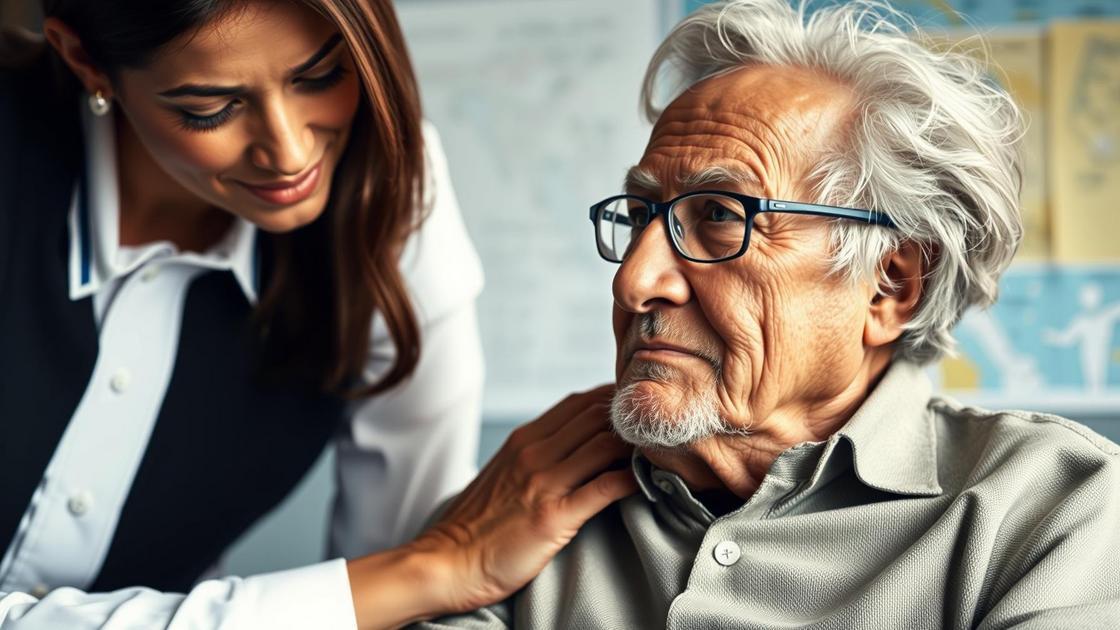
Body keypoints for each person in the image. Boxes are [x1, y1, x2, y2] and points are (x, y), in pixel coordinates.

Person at [418, 1, 1120, 628]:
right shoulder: (525, 503)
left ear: (891, 285)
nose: (635, 281)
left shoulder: (1057, 510)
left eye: (720, 217)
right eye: (639, 218)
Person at [0, 1, 636, 627]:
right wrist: (430, 567)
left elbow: (407, 584)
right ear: (86, 60)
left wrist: (427, 569)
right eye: (210, 109)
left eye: (321, 76)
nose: (289, 151)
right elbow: (415, 572)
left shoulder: (389, 201)